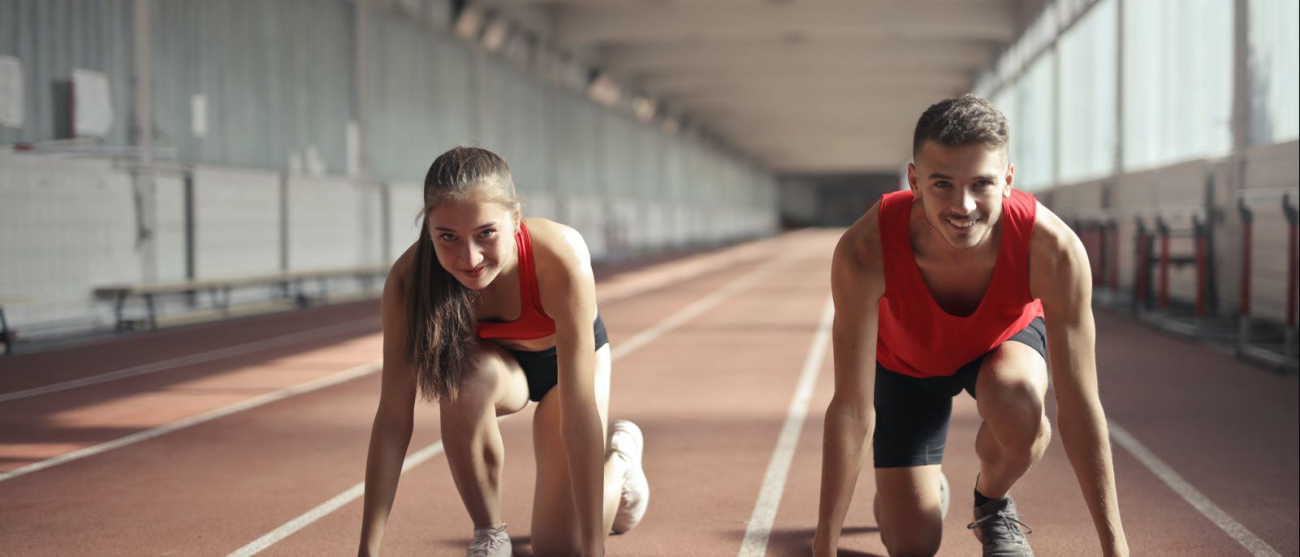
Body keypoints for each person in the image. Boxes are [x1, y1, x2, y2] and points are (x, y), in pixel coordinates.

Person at [812, 95, 1129, 557]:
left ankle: (992, 503)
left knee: (1022, 408)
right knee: (912, 543)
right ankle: (910, 493)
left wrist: (1116, 548)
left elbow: (1080, 406)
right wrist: (824, 547)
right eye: (943, 184)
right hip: (905, 367)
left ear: (1009, 180)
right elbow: (852, 410)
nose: (964, 205)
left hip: (1001, 349)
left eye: (982, 183)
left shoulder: (1054, 251)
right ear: (915, 181)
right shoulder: (865, 250)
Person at [357, 147, 649, 557]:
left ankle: (620, 460)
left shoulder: (560, 257)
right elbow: (392, 420)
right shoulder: (408, 282)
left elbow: (579, 417)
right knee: (461, 380)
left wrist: (593, 551)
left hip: (568, 370)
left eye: (486, 234)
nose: (470, 258)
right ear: (429, 230)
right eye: (448, 238)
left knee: (560, 548)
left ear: (516, 219)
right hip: (499, 370)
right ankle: (489, 534)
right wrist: (366, 552)